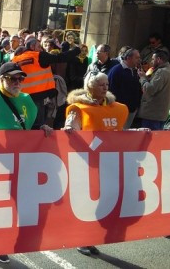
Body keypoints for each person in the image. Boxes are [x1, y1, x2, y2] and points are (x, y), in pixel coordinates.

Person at [0, 62, 52, 265]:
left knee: (10, 208)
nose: (17, 82)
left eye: (20, 79)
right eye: (13, 78)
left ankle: (0, 245)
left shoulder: (26, 99)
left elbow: (31, 127)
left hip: (18, 162)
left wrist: (43, 128)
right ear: (2, 79)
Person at [63, 72, 144, 256]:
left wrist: (138, 132)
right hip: (87, 163)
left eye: (107, 84)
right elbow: (71, 131)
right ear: (91, 87)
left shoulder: (119, 108)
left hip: (110, 163)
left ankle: (92, 237)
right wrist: (69, 129)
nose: (105, 87)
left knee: (104, 203)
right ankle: (83, 239)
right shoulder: (79, 108)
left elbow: (120, 133)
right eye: (101, 85)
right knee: (88, 204)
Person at [12, 38, 81, 127]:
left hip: (20, 96)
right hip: (38, 97)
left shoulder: (15, 59)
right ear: (32, 47)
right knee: (38, 125)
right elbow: (60, 58)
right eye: (39, 46)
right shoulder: (39, 56)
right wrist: (77, 50)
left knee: (24, 123)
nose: (41, 49)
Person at [137, 50, 170, 130]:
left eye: (152, 59)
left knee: (148, 139)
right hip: (160, 114)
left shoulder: (161, 72)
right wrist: (146, 77)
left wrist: (142, 78)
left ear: (158, 59)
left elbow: (150, 89)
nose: (151, 62)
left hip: (152, 114)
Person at [107, 47, 142, 129]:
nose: (139, 60)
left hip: (131, 110)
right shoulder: (117, 70)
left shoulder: (134, 70)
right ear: (128, 58)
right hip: (119, 110)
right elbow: (111, 91)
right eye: (136, 57)